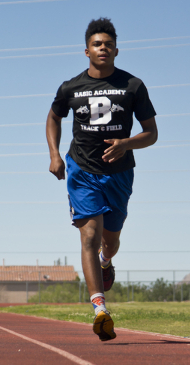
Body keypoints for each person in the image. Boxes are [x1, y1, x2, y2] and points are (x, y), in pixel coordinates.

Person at [46, 18, 158, 341]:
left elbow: (151, 133)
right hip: (81, 171)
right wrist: (54, 154)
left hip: (119, 175)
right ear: (86, 51)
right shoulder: (71, 87)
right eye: (97, 44)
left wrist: (126, 144)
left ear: (116, 50)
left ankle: (107, 261)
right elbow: (53, 117)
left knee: (109, 241)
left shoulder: (133, 86)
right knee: (88, 237)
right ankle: (100, 309)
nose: (103, 49)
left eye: (108, 44)